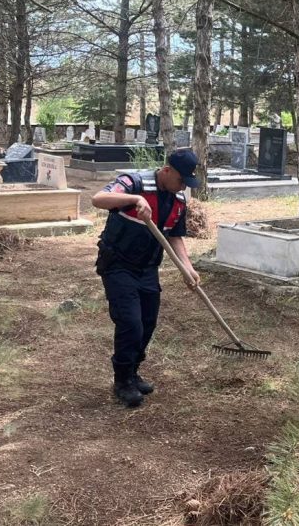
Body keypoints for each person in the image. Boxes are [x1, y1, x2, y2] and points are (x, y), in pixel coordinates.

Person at [92, 149, 201, 408]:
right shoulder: (135, 182)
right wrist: (134, 199)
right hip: (118, 265)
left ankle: (133, 371)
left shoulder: (178, 201)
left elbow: (174, 236)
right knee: (131, 322)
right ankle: (122, 381)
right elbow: (98, 199)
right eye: (181, 179)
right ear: (166, 171)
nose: (183, 185)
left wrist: (188, 267)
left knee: (148, 322)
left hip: (147, 268)